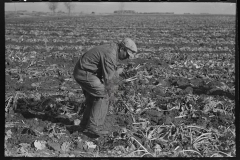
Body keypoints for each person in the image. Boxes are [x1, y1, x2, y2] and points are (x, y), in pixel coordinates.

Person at [73, 38, 137, 137]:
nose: (127, 58)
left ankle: (84, 125)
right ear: (122, 49)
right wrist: (118, 74)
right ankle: (95, 126)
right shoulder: (110, 54)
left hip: (86, 72)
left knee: (93, 98)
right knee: (103, 94)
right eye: (127, 55)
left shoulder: (112, 50)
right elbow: (109, 80)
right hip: (85, 73)